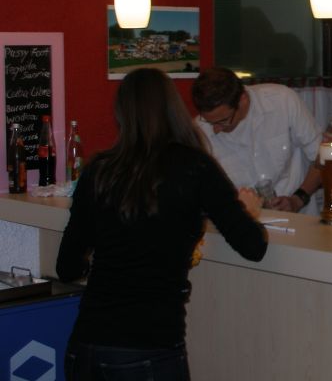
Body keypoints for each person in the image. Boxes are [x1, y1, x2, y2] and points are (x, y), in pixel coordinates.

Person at [57, 68, 267, 380]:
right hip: (151, 347)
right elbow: (253, 246)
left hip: (87, 346)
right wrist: (248, 211)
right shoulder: (195, 167)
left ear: (122, 115)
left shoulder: (98, 170)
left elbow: (67, 267)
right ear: (174, 109)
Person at [191, 67, 322, 214]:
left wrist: (297, 200)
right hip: (242, 221)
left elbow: (323, 158)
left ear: (243, 100)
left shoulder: (282, 101)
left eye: (223, 121)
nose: (216, 130)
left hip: (298, 216)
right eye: (209, 122)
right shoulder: (199, 132)